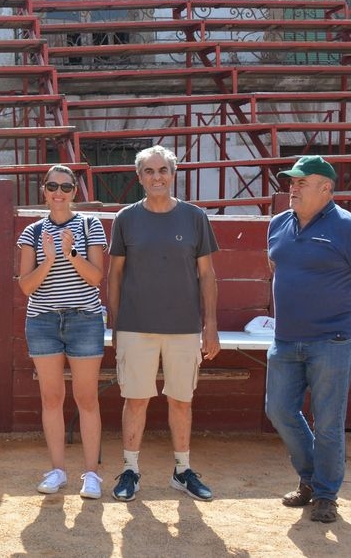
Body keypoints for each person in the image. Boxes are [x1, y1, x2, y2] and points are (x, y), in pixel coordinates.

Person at [265, 155, 351, 524]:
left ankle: (324, 495)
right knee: (279, 410)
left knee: (328, 421)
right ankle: (311, 478)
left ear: (326, 188)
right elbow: (276, 266)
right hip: (286, 338)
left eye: (301, 182)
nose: (293, 187)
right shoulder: (277, 224)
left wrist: (346, 310)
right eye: (291, 181)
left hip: (334, 340)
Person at [107, 145, 220, 503]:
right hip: (135, 326)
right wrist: (116, 324)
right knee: (136, 399)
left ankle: (182, 471)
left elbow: (207, 274)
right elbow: (114, 275)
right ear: (139, 177)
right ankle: (130, 469)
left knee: (181, 401)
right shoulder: (126, 218)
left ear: (173, 174)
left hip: (184, 327)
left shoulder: (194, 217)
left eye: (163, 170)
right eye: (149, 171)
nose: (157, 177)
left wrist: (211, 325)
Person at [16, 165, 106, 498]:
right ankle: (57, 470)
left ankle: (91, 475)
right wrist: (50, 260)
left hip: (84, 319)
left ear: (74, 192)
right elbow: (26, 286)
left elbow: (96, 277)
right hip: (43, 321)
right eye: (52, 186)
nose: (59, 192)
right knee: (51, 398)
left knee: (87, 398)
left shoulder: (90, 224)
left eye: (66, 187)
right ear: (44, 190)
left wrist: (70, 254)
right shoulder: (32, 232)